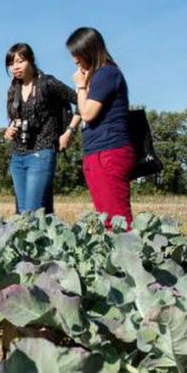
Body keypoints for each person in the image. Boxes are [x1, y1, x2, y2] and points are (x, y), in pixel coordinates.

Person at [66, 27, 134, 229]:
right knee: (107, 221)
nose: (75, 62)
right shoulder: (98, 77)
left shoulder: (107, 73)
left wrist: (80, 86)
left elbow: (87, 113)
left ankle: (132, 258)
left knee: (118, 221)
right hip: (96, 152)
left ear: (90, 51)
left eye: (77, 56)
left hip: (109, 151)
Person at [3, 43, 79, 214]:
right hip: (17, 156)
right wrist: (8, 131)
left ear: (31, 60)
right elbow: (13, 119)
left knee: (32, 213)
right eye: (11, 63)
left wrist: (69, 131)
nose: (15, 67)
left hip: (42, 152)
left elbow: (80, 100)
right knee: (22, 215)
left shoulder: (47, 83)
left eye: (20, 61)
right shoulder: (13, 89)